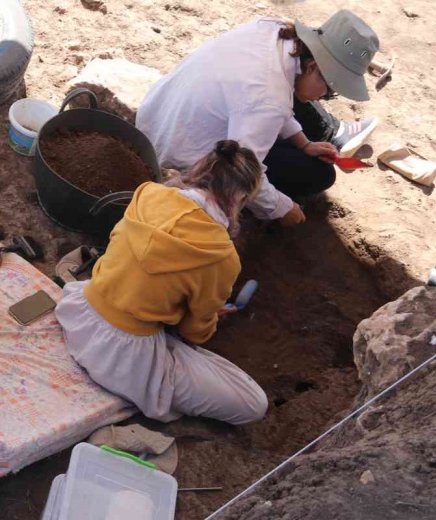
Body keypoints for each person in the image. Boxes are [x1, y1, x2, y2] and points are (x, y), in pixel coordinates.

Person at [55, 140, 268, 425]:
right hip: (124, 358)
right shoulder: (221, 255)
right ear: (240, 198)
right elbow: (196, 333)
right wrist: (206, 317)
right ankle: (161, 361)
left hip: (79, 313)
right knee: (253, 403)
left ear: (203, 168)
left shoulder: (149, 194)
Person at [136, 10, 380, 228]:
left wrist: (303, 142)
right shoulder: (268, 100)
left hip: (157, 117)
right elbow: (241, 168)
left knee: (295, 126)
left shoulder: (272, 29)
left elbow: (269, 103)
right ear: (313, 67)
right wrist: (282, 208)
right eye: (330, 90)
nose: (325, 96)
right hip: (178, 154)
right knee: (320, 175)